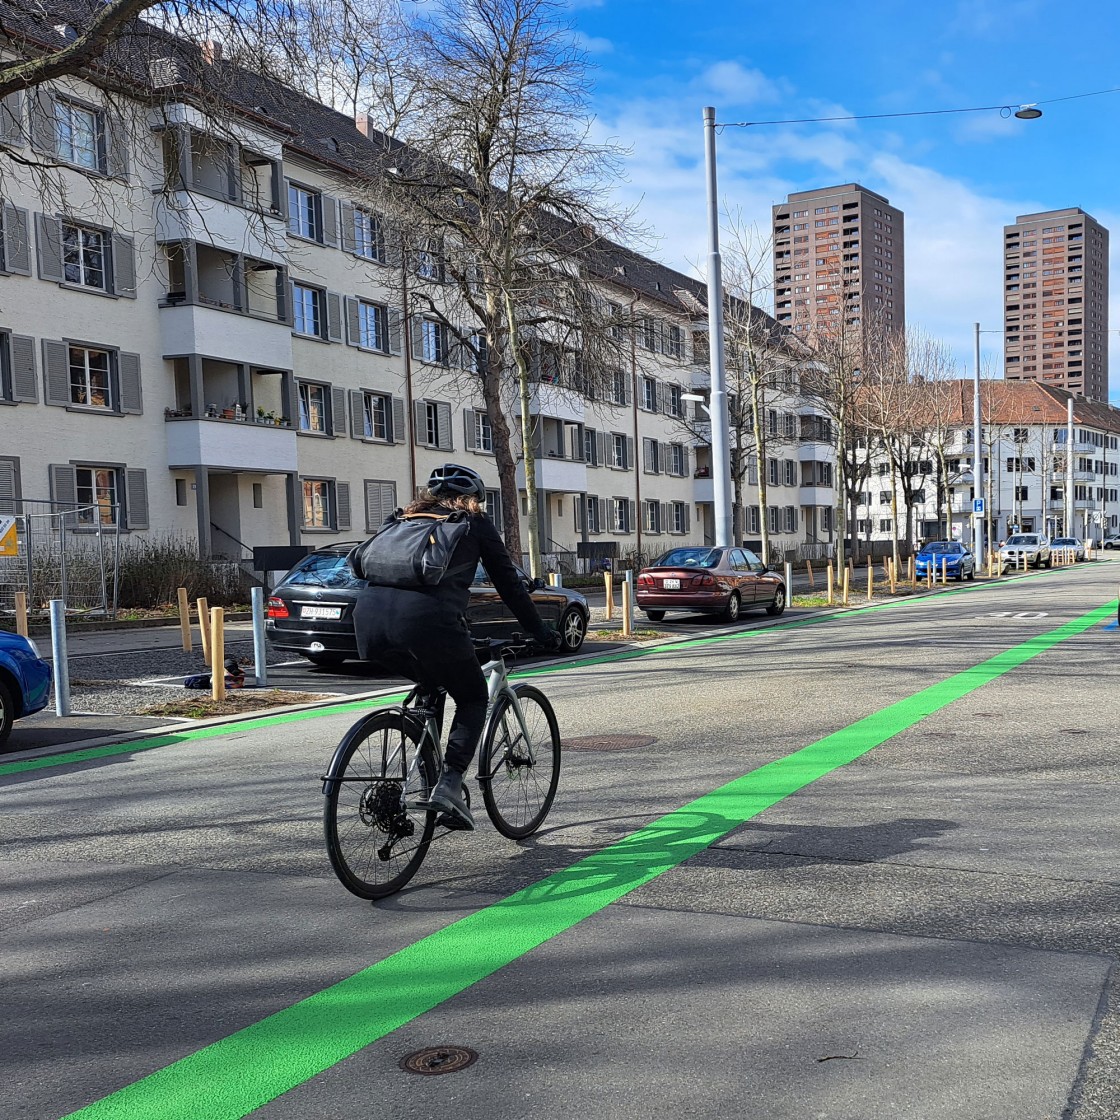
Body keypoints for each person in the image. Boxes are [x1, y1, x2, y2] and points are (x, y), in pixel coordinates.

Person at [353, 463, 558, 830]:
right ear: (473, 499)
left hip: (368, 624)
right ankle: (448, 784)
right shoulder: (472, 524)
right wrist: (541, 632)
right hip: (429, 625)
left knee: (433, 682)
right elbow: (509, 584)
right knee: (473, 696)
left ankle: (414, 788)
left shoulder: (401, 520)